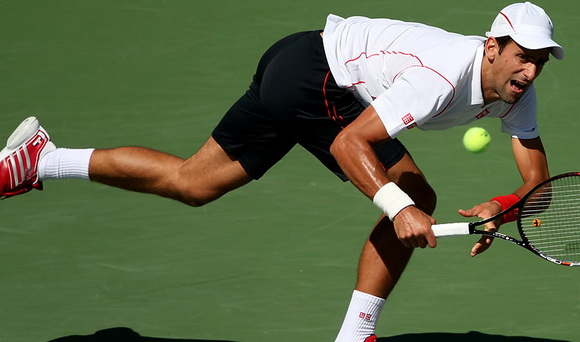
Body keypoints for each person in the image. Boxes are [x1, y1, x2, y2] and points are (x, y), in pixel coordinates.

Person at [0, 2, 563, 341]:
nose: (530, 69)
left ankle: (41, 160)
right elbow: (350, 141)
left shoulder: (518, 96)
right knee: (413, 191)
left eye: (539, 60)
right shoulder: (439, 74)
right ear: (491, 47)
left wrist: (503, 207)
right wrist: (400, 208)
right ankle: (355, 334)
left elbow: (537, 182)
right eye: (522, 55)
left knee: (194, 184)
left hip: (295, 61)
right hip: (316, 76)